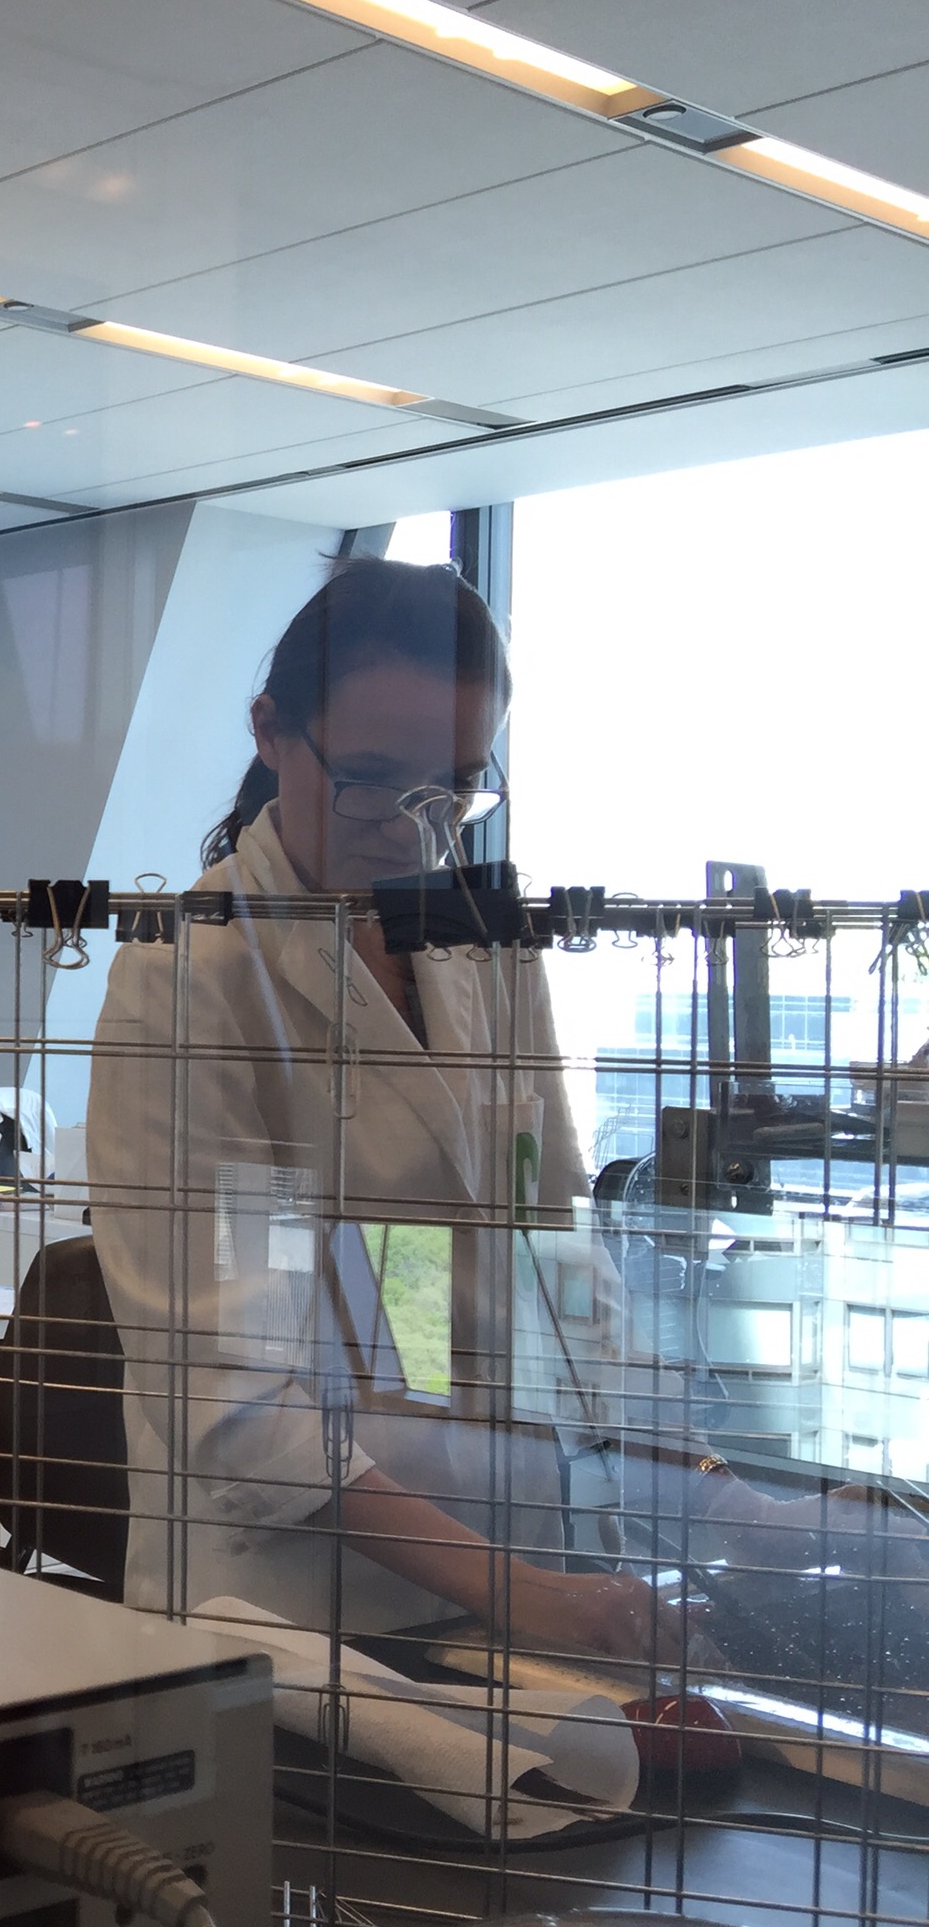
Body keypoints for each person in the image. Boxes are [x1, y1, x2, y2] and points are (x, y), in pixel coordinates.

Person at [86, 559, 668, 1659]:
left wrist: (714, 1484)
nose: (414, 830)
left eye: (453, 786)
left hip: (513, 1552)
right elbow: (232, 1386)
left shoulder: (481, 939)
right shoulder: (196, 971)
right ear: (270, 731)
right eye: (370, 779)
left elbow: (551, 1245)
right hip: (297, 1605)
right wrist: (519, 1593)